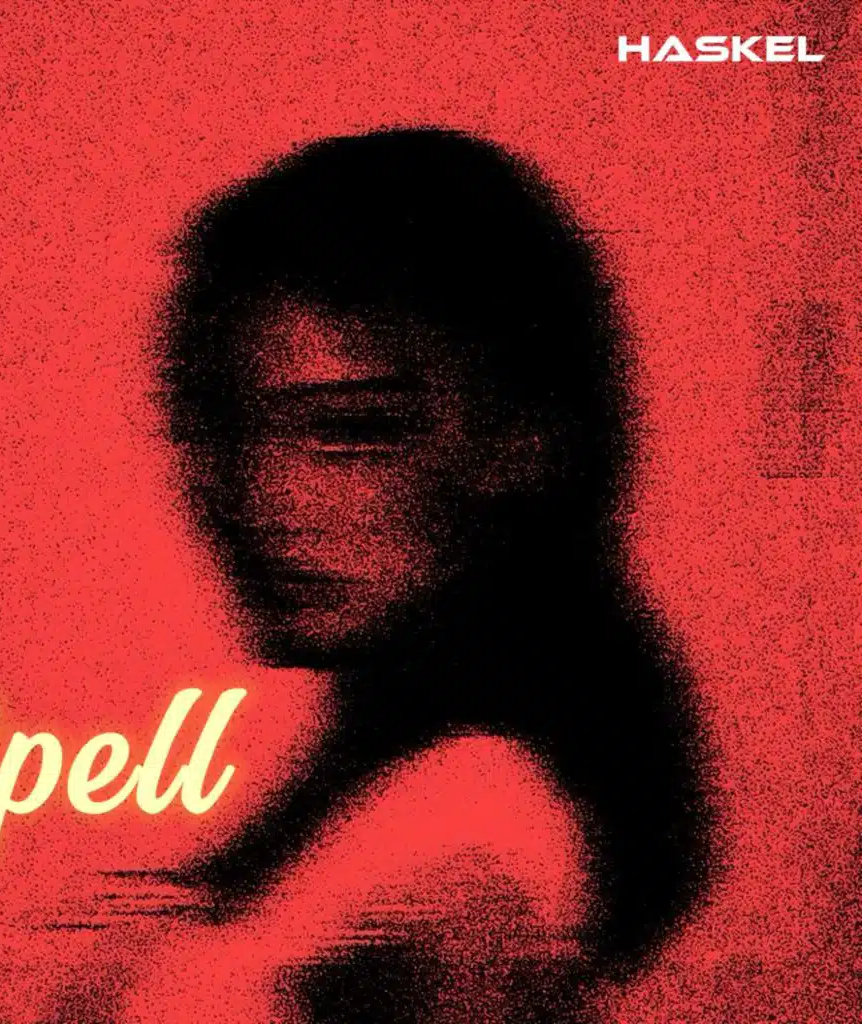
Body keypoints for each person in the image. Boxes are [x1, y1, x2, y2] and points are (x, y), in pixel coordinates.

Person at [156, 127, 712, 1021]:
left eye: (352, 430)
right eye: (228, 426)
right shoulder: (418, 763)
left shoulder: (471, 834)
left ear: (524, 439)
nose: (264, 498)